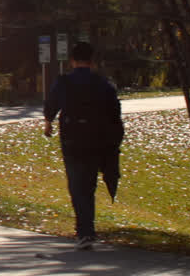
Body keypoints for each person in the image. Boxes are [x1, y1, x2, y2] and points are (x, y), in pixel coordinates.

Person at [43, 41, 124, 250]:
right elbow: (115, 113)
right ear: (92, 61)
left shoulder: (64, 82)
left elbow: (52, 103)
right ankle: (87, 229)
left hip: (71, 139)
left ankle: (85, 231)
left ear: (72, 61)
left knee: (76, 185)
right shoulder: (103, 83)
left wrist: (48, 122)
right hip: (96, 140)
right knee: (89, 185)